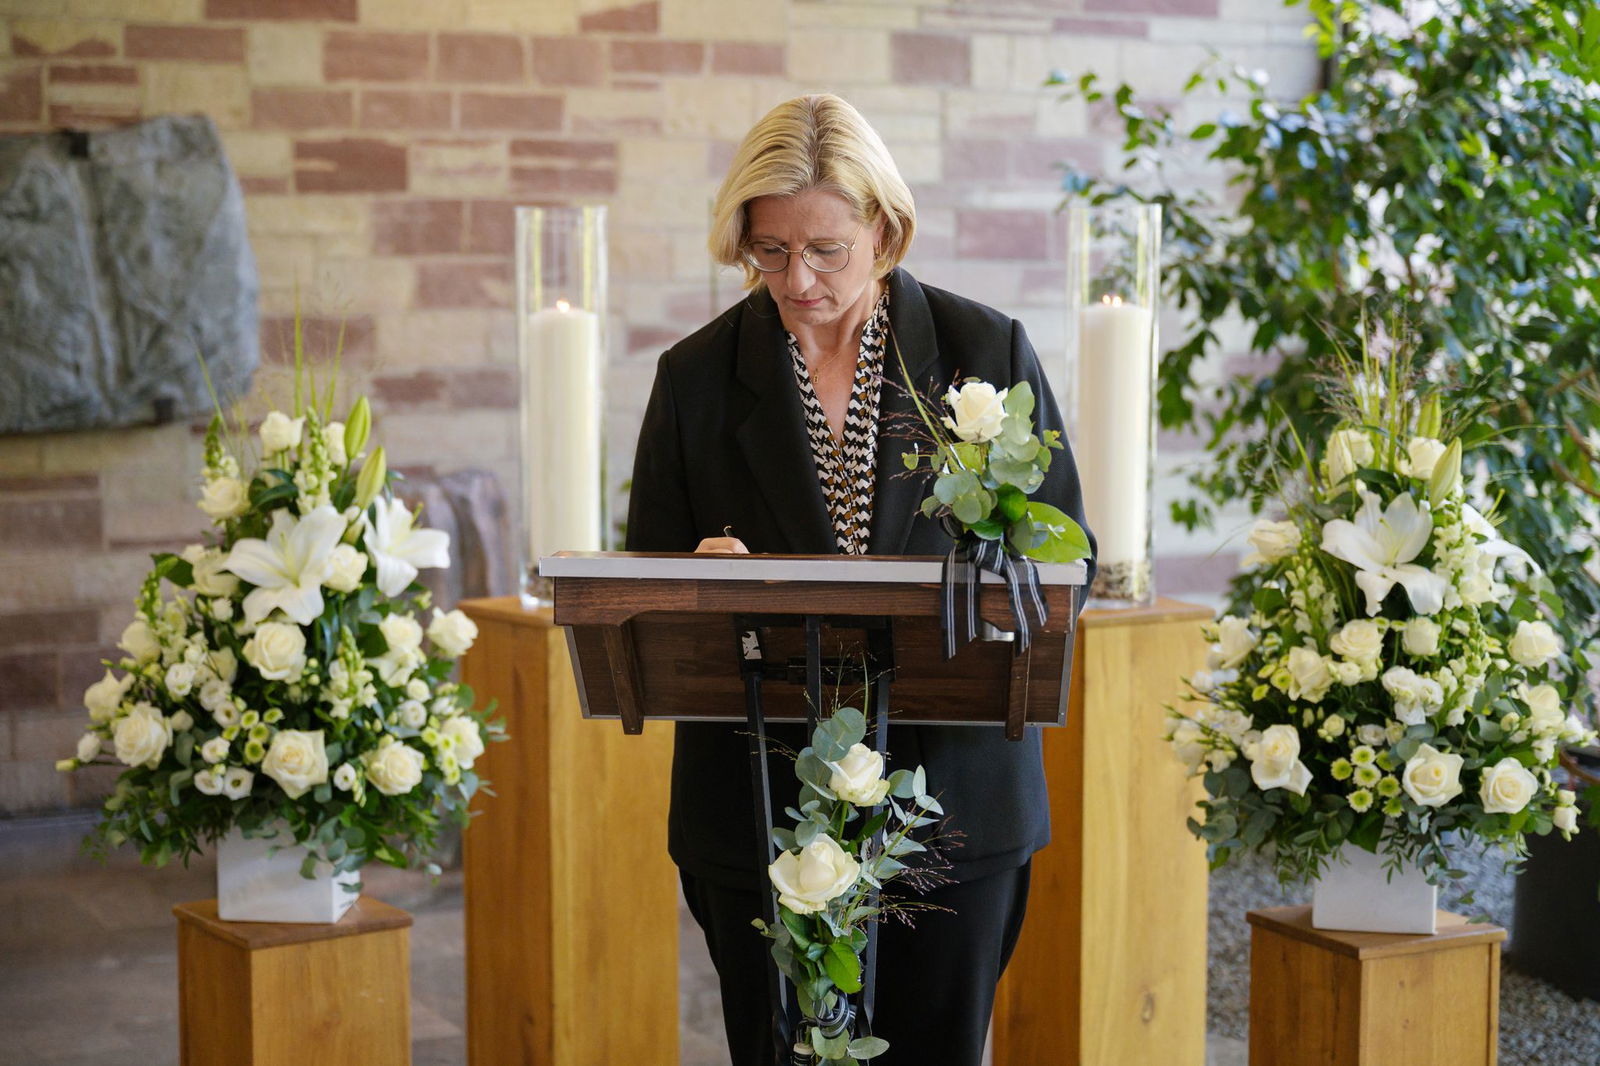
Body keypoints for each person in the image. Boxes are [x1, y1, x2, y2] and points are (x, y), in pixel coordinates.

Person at [625, 93, 1097, 1066]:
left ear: (882, 229)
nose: (796, 280)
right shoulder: (695, 378)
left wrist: (1005, 569)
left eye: (825, 250)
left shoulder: (985, 354)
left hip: (956, 804)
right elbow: (644, 588)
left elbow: (1066, 560)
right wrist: (692, 582)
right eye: (769, 251)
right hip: (756, 807)